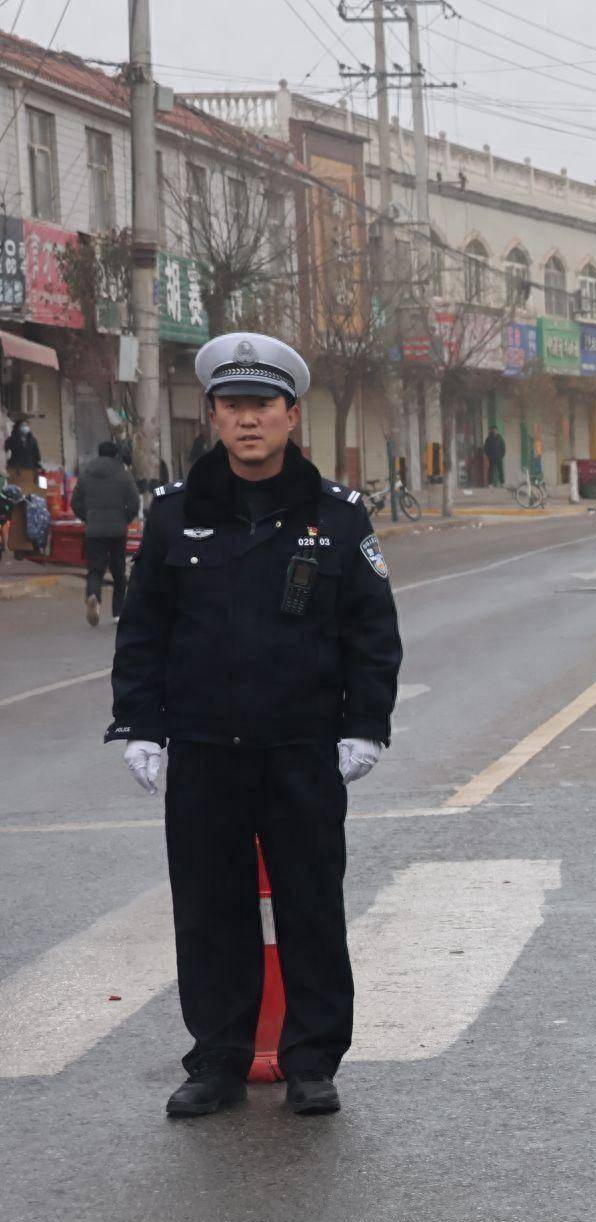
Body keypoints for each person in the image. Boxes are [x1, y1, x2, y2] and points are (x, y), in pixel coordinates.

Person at [107, 332, 403, 1119]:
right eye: (232, 406)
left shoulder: (337, 516)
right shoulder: (173, 517)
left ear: (290, 415)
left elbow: (371, 630)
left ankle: (312, 1059)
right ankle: (218, 1059)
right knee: (210, 908)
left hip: (302, 746)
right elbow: (144, 630)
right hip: (204, 748)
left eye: (261, 406)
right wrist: (139, 723)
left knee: (310, 904)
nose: (247, 421)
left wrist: (365, 724)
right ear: (211, 416)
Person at [72, 438, 140, 626]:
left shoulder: (86, 473)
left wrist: (88, 518)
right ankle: (118, 612)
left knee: (95, 569)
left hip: (94, 531)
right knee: (119, 571)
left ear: (99, 453)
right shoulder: (123, 474)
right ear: (115, 454)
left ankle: (94, 595)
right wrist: (125, 519)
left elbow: (75, 501)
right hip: (117, 530)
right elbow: (134, 502)